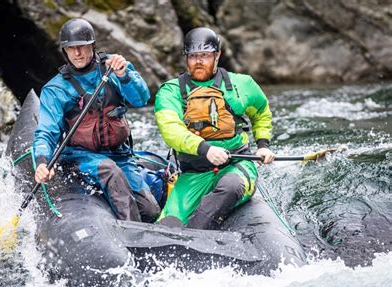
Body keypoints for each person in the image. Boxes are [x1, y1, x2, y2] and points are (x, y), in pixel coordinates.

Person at [33, 18, 160, 222]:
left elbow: (141, 98)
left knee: (150, 210)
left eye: (82, 46)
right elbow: (46, 132)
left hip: (120, 154)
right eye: (71, 48)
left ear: (92, 45)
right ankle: (134, 237)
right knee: (109, 171)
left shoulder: (113, 67)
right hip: (80, 156)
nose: (77, 53)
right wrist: (41, 162)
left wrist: (124, 75)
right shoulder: (55, 89)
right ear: (64, 51)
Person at [154, 27, 275, 229]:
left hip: (236, 165)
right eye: (193, 56)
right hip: (193, 172)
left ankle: (195, 234)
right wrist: (205, 149)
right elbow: (171, 130)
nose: (199, 61)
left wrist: (263, 144)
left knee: (230, 187)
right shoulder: (171, 91)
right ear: (186, 58)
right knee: (168, 223)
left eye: (205, 55)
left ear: (217, 56)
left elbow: (261, 112)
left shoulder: (242, 84)